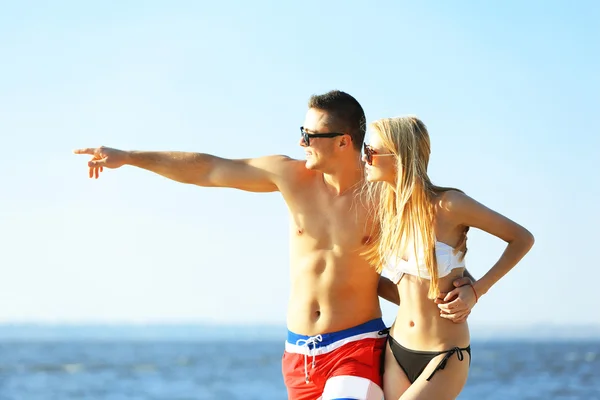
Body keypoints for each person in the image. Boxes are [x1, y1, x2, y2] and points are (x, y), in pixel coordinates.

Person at [74, 90, 475, 400]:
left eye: (310, 135)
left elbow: (436, 253)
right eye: (301, 132)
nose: (301, 142)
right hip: (298, 353)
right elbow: (210, 168)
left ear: (343, 141)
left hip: (356, 346)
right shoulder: (291, 177)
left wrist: (469, 287)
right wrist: (128, 156)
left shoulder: (382, 197)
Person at [361, 116, 535, 399]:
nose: (364, 159)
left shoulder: (449, 205)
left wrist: (477, 291)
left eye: (370, 152)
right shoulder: (389, 211)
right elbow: (408, 293)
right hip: (396, 348)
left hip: (443, 354)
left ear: (399, 156)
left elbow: (522, 238)